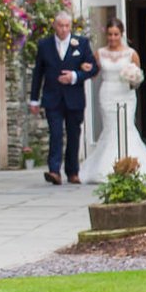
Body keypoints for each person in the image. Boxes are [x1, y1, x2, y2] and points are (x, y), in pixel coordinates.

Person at [79, 18, 146, 183]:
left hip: (126, 94)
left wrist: (133, 77)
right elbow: (94, 73)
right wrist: (85, 68)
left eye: (115, 34)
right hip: (107, 93)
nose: (112, 38)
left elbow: (138, 77)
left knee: (126, 128)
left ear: (121, 34)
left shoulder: (131, 53)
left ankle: (131, 164)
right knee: (111, 128)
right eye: (110, 34)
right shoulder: (100, 53)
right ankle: (107, 166)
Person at [28, 11, 95, 185]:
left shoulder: (81, 43)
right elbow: (38, 73)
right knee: (55, 133)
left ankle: (72, 171)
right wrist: (34, 99)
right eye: (60, 25)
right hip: (52, 97)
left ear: (70, 26)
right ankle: (54, 170)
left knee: (74, 134)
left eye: (67, 26)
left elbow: (93, 68)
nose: (64, 29)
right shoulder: (45, 45)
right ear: (54, 26)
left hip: (74, 98)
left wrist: (74, 76)